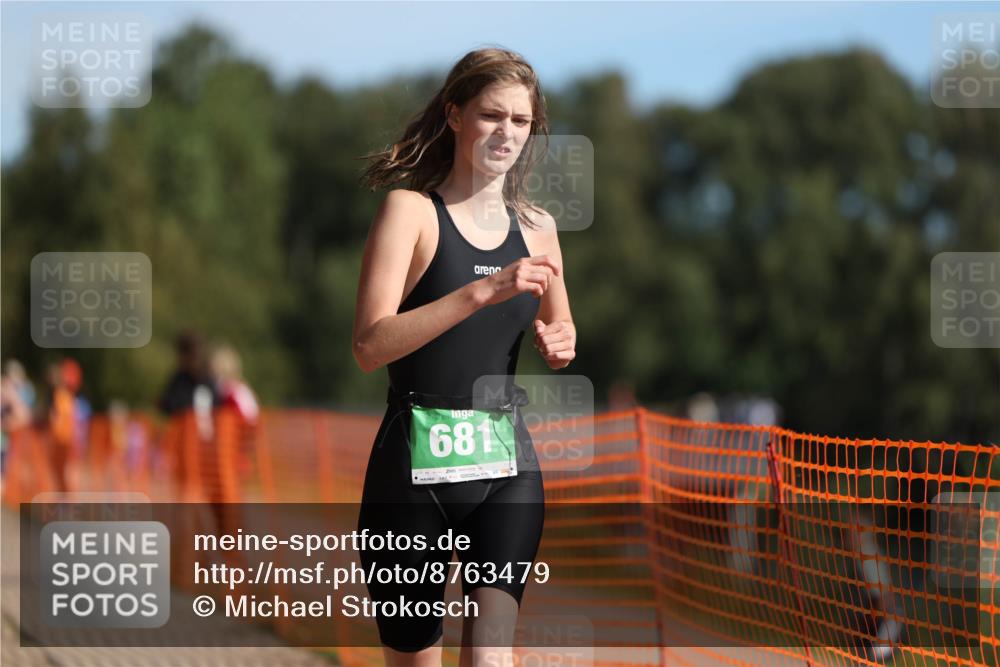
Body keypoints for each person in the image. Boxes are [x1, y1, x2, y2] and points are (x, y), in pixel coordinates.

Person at [353, 47, 576, 667]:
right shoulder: (411, 212)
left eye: (521, 121)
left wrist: (562, 343)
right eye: (491, 116)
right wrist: (481, 291)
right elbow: (370, 345)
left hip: (505, 470)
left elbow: (561, 328)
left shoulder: (539, 226)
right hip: (411, 475)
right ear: (454, 116)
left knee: (491, 657)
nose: (506, 133)